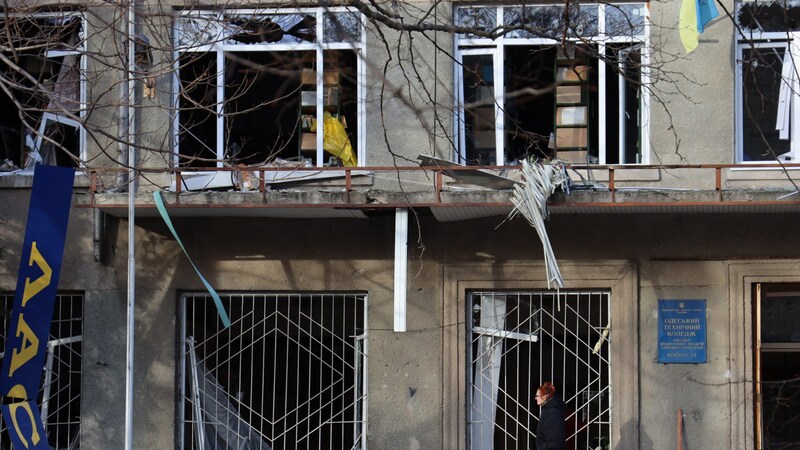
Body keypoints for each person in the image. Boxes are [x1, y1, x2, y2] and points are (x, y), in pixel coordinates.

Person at [535, 381, 565, 450]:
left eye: (537, 396)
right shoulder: (548, 411)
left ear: (544, 397)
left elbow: (554, 441)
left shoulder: (553, 413)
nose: (535, 398)